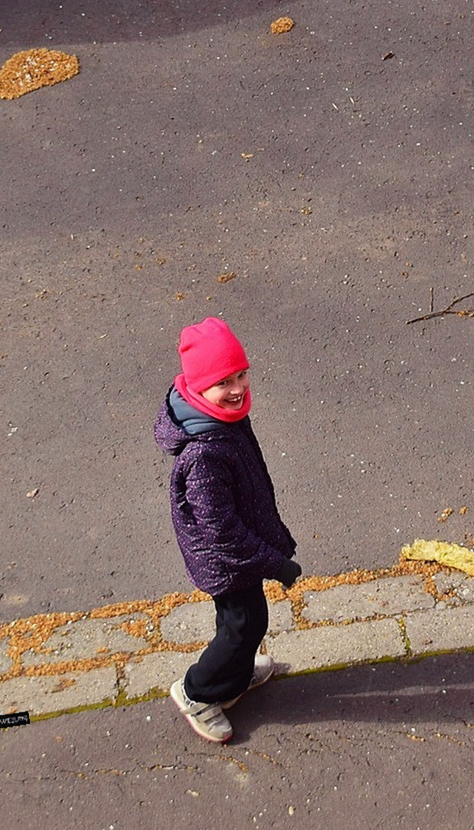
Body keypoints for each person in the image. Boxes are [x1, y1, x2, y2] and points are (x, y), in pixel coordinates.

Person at [153, 316, 301, 743]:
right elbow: (222, 532)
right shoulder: (203, 454)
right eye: (224, 382)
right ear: (198, 390)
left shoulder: (221, 418)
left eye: (241, 375)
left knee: (244, 623)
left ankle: (234, 676)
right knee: (244, 625)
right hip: (226, 560)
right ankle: (198, 691)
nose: (238, 388)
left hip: (238, 554)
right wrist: (277, 563)